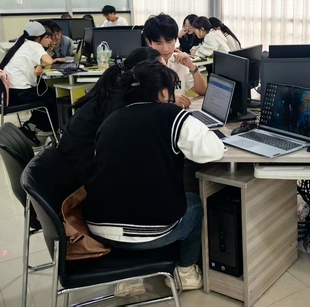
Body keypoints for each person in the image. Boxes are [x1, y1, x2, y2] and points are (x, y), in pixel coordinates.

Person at [83, 60, 224, 295]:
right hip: (147, 234)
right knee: (195, 205)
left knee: (130, 200)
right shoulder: (171, 115)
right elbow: (213, 151)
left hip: (97, 228)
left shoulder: (111, 119)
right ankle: (186, 273)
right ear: (163, 92)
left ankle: (129, 276)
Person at [58, 47, 163, 186]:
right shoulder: (119, 104)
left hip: (76, 167)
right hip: (84, 179)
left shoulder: (116, 92)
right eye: (162, 73)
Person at [0, 22, 66, 143]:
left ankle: (30, 127)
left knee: (44, 94)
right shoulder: (34, 45)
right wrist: (50, 60)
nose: (50, 40)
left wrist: (41, 63)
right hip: (20, 93)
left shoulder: (21, 43)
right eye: (47, 37)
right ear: (38, 38)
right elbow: (48, 61)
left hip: (9, 92)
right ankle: (50, 131)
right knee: (53, 99)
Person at [143, 14, 207, 107]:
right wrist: (168, 100)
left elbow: (203, 91)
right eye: (159, 43)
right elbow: (137, 103)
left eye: (169, 42)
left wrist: (191, 66)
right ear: (149, 42)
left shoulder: (179, 62)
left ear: (175, 40)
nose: (165, 49)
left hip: (179, 114)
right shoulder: (142, 65)